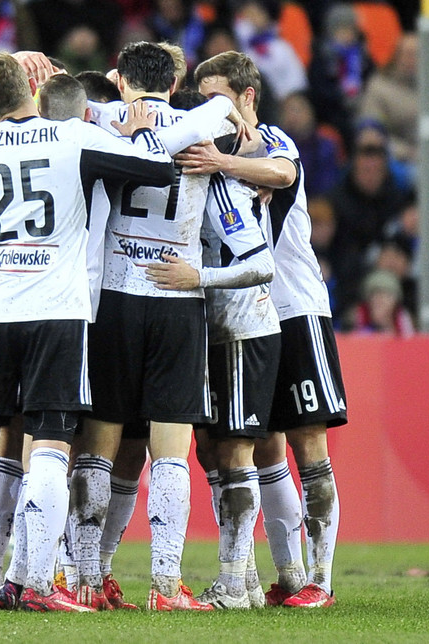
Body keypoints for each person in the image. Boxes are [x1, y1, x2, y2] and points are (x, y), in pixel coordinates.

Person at [0, 53, 175, 612]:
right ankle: (33, 583)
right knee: (52, 442)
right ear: (34, 88)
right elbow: (157, 171)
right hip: (55, 310)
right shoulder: (72, 138)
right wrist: (142, 132)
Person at [72, 40, 247, 612]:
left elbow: (67, 106)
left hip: (114, 296)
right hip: (177, 294)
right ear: (174, 83)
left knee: (99, 444)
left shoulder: (96, 122)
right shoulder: (201, 128)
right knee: (170, 449)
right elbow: (224, 115)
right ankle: (166, 586)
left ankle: (86, 580)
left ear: (121, 79)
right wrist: (232, 116)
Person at [185, 50, 349, 608]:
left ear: (247, 96)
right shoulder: (210, 156)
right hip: (238, 319)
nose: (207, 109)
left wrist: (223, 166)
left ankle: (321, 584)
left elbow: (283, 173)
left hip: (294, 308)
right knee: (252, 447)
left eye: (216, 97)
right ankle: (285, 575)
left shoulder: (272, 141)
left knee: (308, 443)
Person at [149, 90, 279, 609]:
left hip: (245, 329)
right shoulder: (194, 185)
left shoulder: (225, 189)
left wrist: (195, 277)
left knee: (236, 451)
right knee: (210, 453)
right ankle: (243, 579)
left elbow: (260, 262)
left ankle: (233, 578)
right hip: (210, 331)